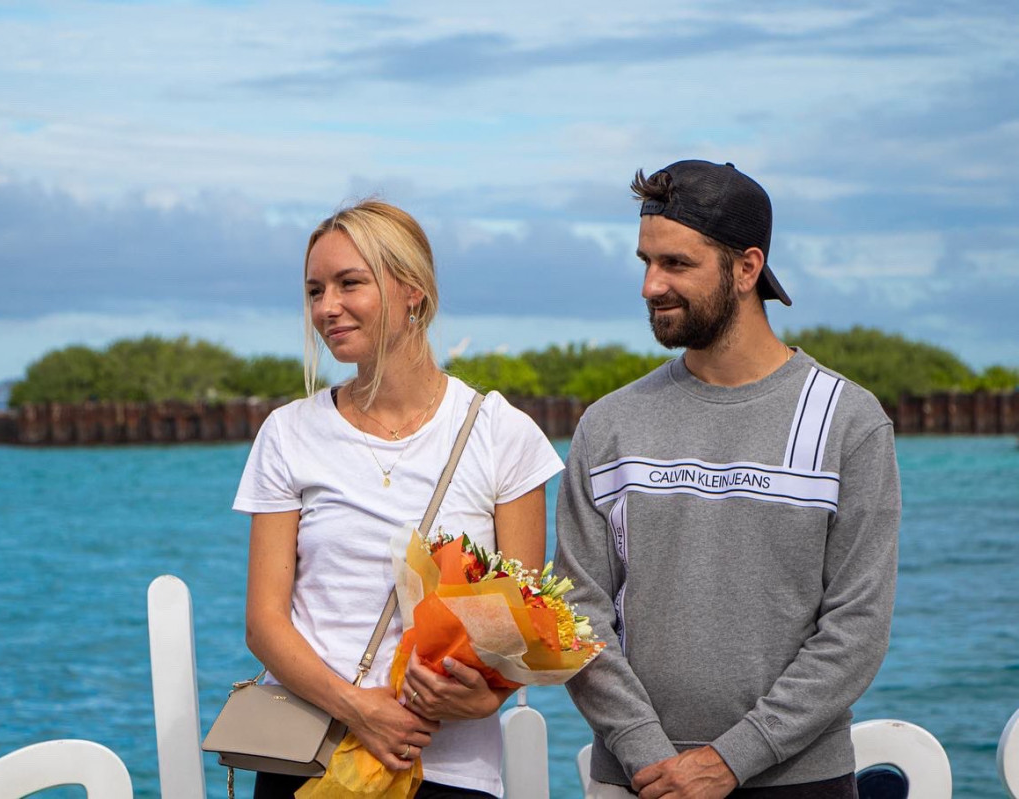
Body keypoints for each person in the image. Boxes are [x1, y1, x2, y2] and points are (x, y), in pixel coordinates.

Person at [554, 160, 900, 798]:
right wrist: (648, 755)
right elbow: (577, 611)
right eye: (645, 262)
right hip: (639, 781)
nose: (650, 286)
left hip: (801, 782)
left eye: (677, 264)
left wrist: (731, 760)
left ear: (746, 268)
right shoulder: (609, 426)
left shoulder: (848, 422)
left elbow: (856, 627)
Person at [235, 200, 564, 798]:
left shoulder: (501, 432)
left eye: (348, 283)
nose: (326, 307)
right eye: (315, 290)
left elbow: (524, 626)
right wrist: (360, 709)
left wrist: (487, 694)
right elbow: (264, 623)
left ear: (411, 290)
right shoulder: (287, 433)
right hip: (309, 757)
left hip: (448, 771)